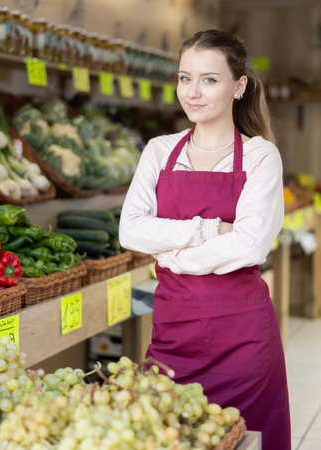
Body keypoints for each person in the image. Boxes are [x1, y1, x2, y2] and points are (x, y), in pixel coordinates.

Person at [119, 29, 291, 449]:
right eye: (184, 78)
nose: (193, 92)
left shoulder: (260, 155)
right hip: (173, 331)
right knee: (165, 436)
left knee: (245, 439)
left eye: (209, 80)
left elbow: (250, 244)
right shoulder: (159, 151)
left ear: (239, 86)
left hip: (243, 338)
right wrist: (208, 229)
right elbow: (130, 230)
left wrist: (172, 254)